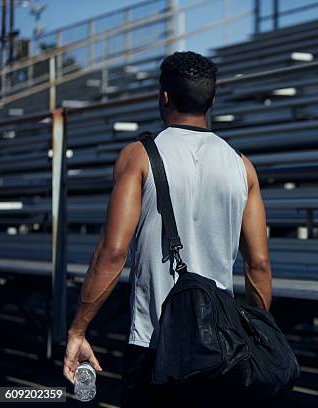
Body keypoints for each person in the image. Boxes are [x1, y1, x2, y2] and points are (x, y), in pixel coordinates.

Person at [62, 51, 273, 406]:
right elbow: (259, 265)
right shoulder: (242, 166)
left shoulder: (139, 156)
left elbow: (112, 253)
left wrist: (79, 329)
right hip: (221, 344)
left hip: (155, 343)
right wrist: (261, 336)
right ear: (212, 101)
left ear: (164, 97)